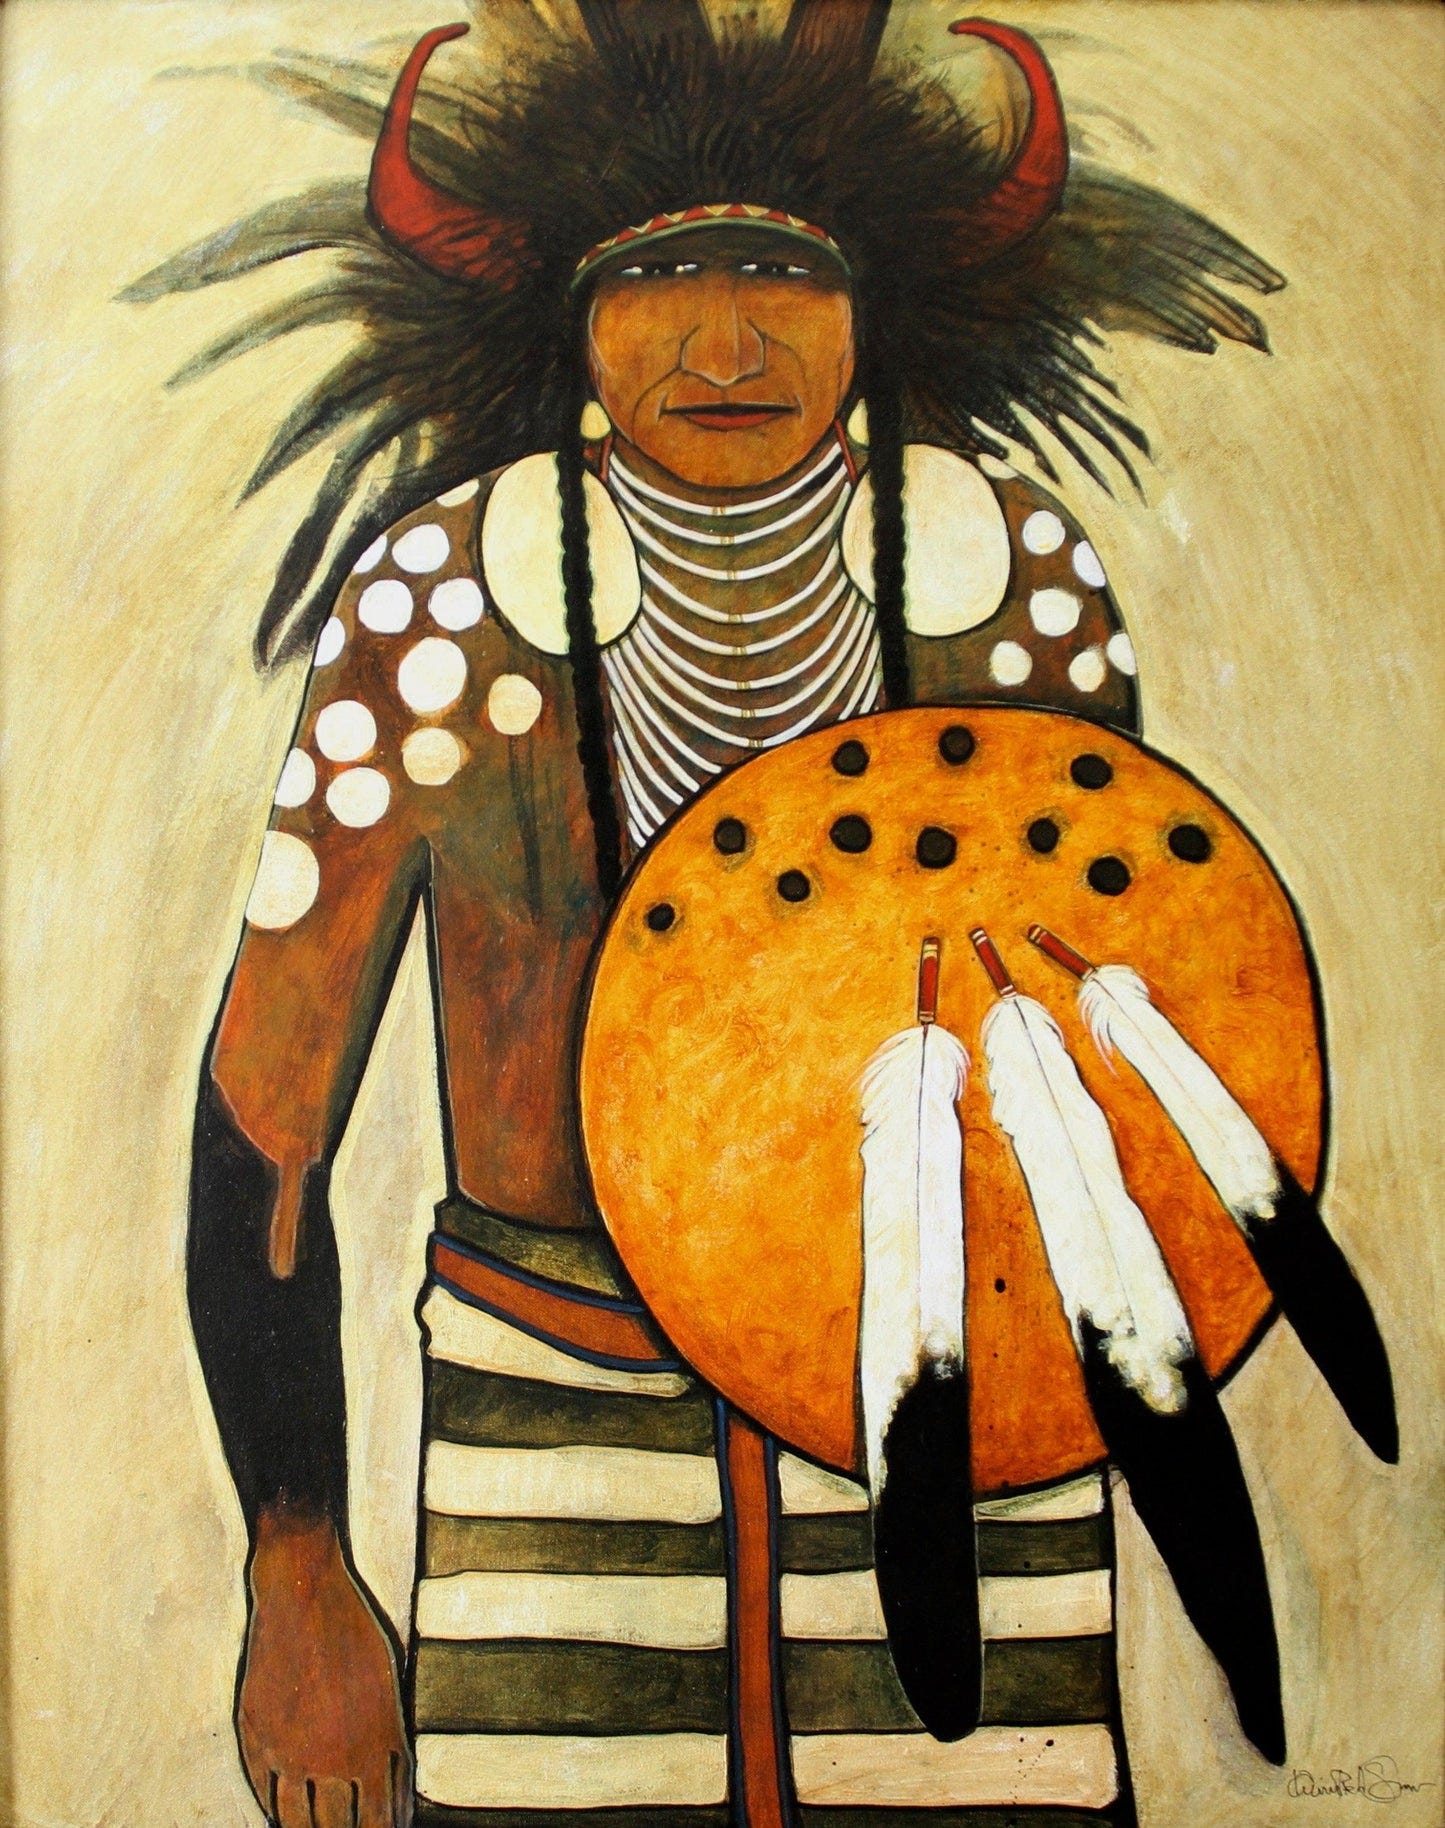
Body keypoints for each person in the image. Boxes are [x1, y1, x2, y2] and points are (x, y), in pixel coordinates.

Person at [152, 5, 1294, 1823]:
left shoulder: (1005, 593)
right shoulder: (444, 608)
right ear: (567, 318)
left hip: (961, 1413)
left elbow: (1114, 1054)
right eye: (656, 278)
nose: (725, 340)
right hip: (551, 1420)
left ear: (868, 308)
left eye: (783, 274)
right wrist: (294, 1566)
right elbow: (265, 1129)